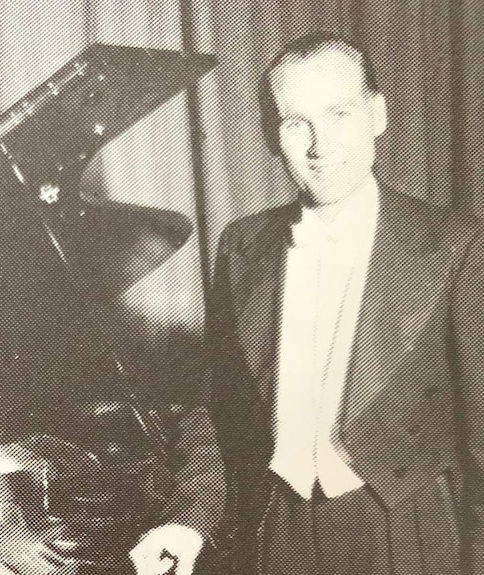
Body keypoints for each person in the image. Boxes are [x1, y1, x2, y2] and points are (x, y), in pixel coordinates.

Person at [130, 32, 484, 575]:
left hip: (407, 535)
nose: (320, 145)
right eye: (297, 123)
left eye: (339, 114)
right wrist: (187, 520)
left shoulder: (456, 246)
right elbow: (221, 409)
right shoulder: (243, 245)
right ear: (274, 137)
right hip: (279, 532)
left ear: (378, 115)